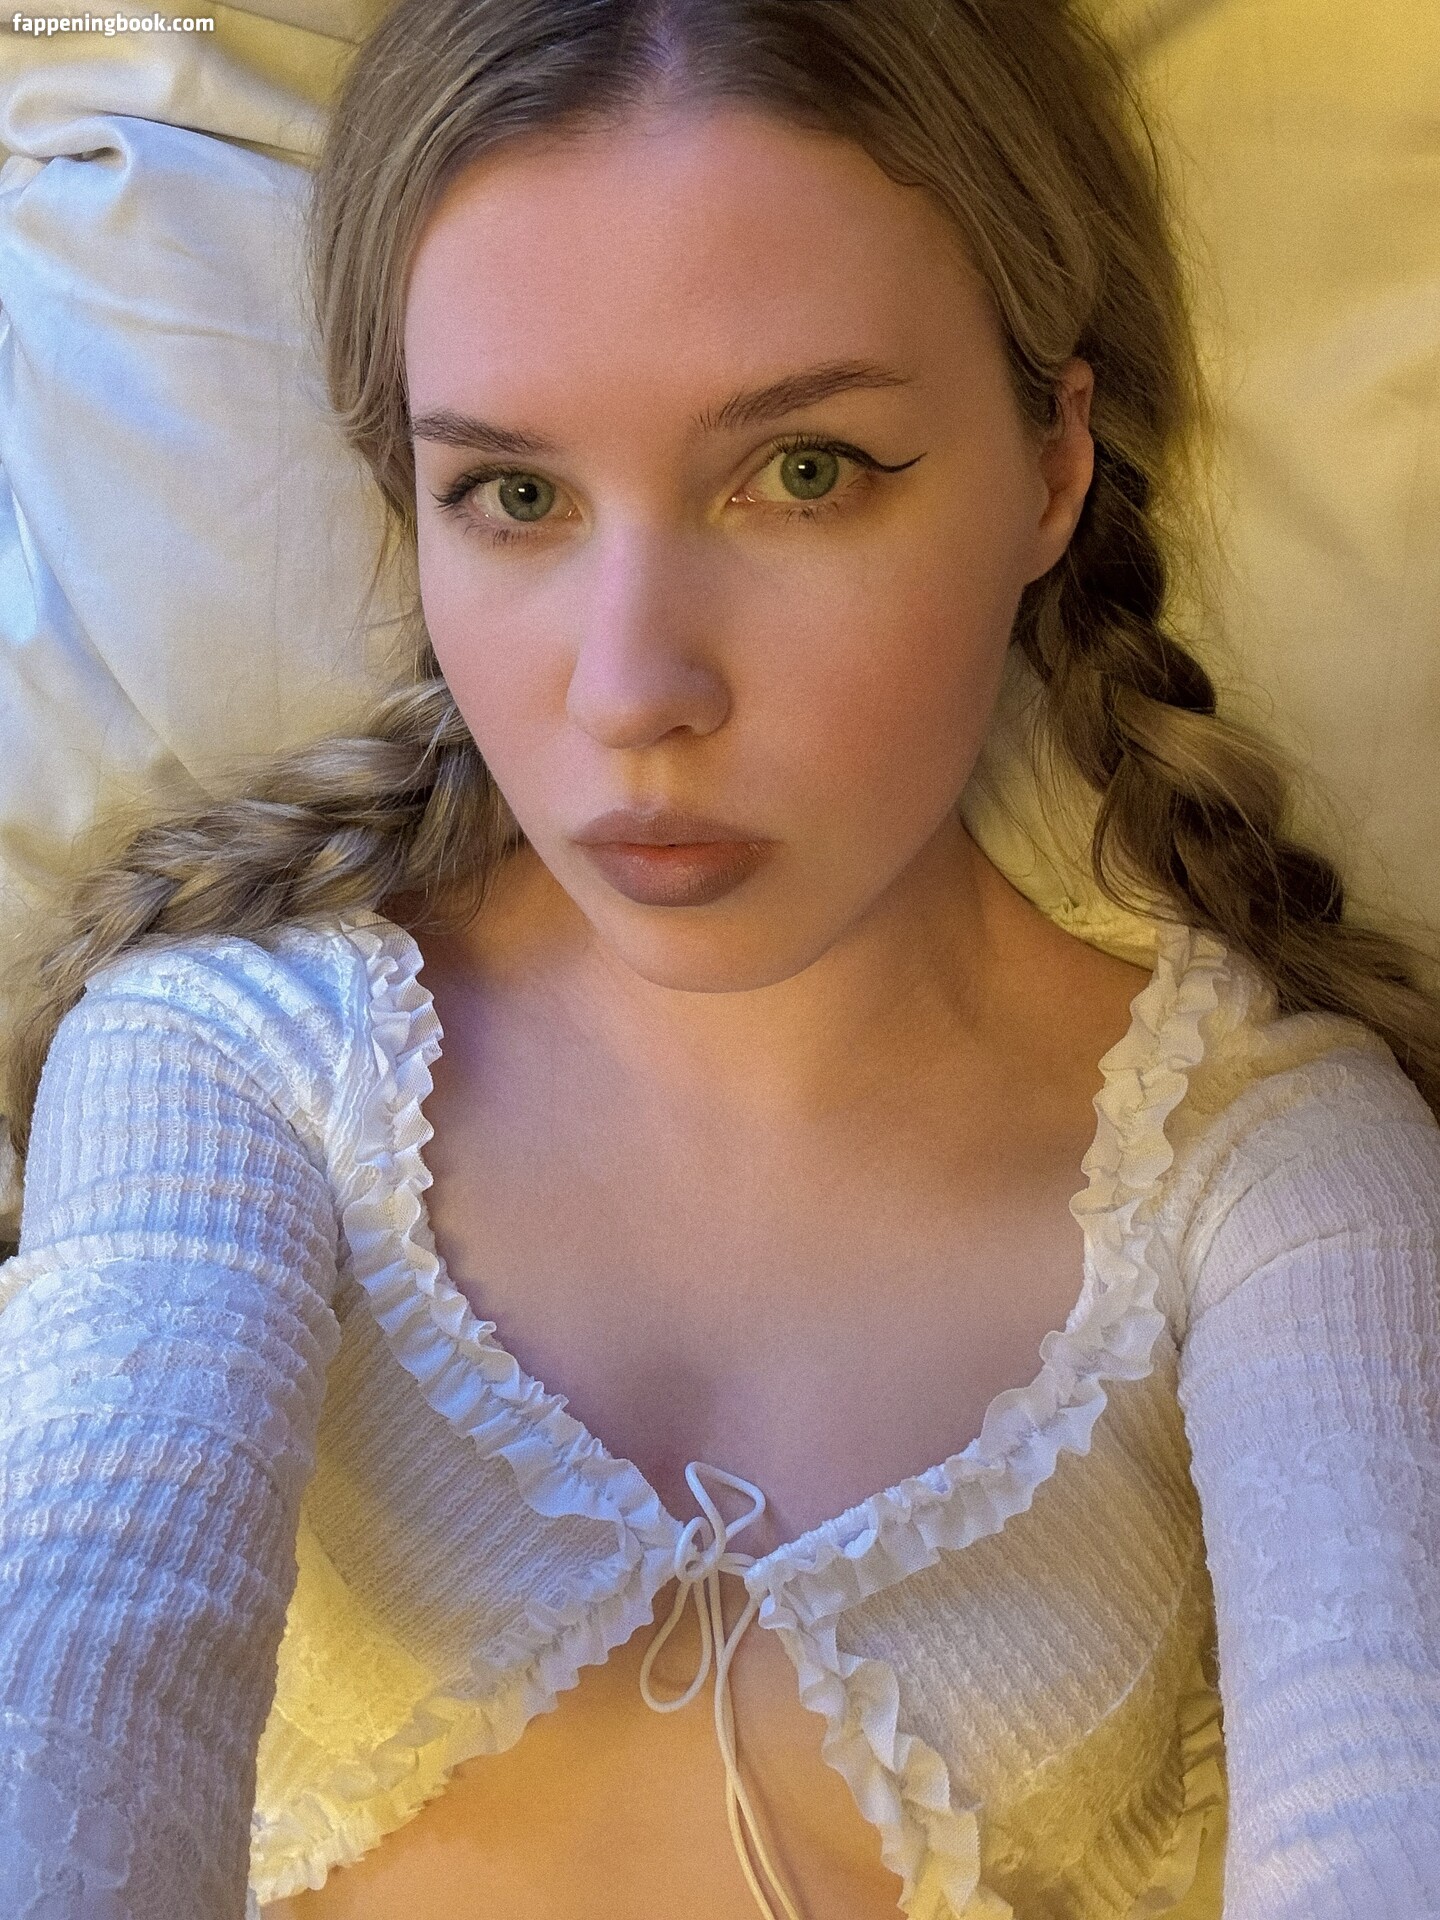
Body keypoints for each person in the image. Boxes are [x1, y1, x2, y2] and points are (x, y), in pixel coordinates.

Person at [2, 0, 1438, 1915]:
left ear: (1052, 464)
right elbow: (83, 1670)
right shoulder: (222, 1072)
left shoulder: (1282, 1177)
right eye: (516, 496)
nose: (633, 691)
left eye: (808, 472)